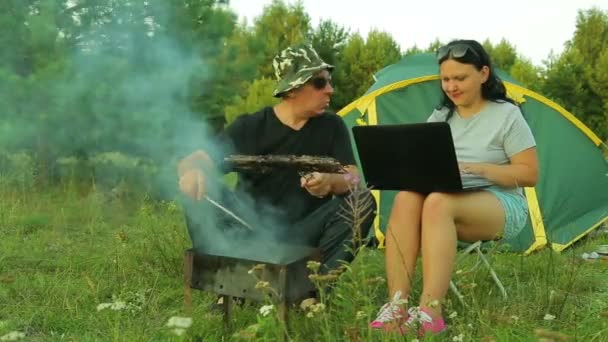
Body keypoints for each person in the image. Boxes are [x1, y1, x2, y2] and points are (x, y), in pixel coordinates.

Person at [369, 39, 539, 335]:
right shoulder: (441, 117)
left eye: (460, 78)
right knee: (408, 197)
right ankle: (396, 304)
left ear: (484, 74)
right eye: (446, 79)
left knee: (437, 202)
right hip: (447, 196)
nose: (451, 86)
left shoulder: (506, 115)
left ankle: (430, 312)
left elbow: (529, 174)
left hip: (499, 202)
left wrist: (479, 169)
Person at [177, 43, 376, 276]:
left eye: (329, 81)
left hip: (306, 235)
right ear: (292, 89)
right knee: (200, 189)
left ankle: (313, 289)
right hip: (250, 229)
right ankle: (223, 281)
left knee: (362, 200)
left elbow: (354, 178)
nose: (330, 90)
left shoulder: (332, 126)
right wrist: (191, 173)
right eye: (320, 83)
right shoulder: (250, 126)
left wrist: (331, 181)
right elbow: (194, 161)